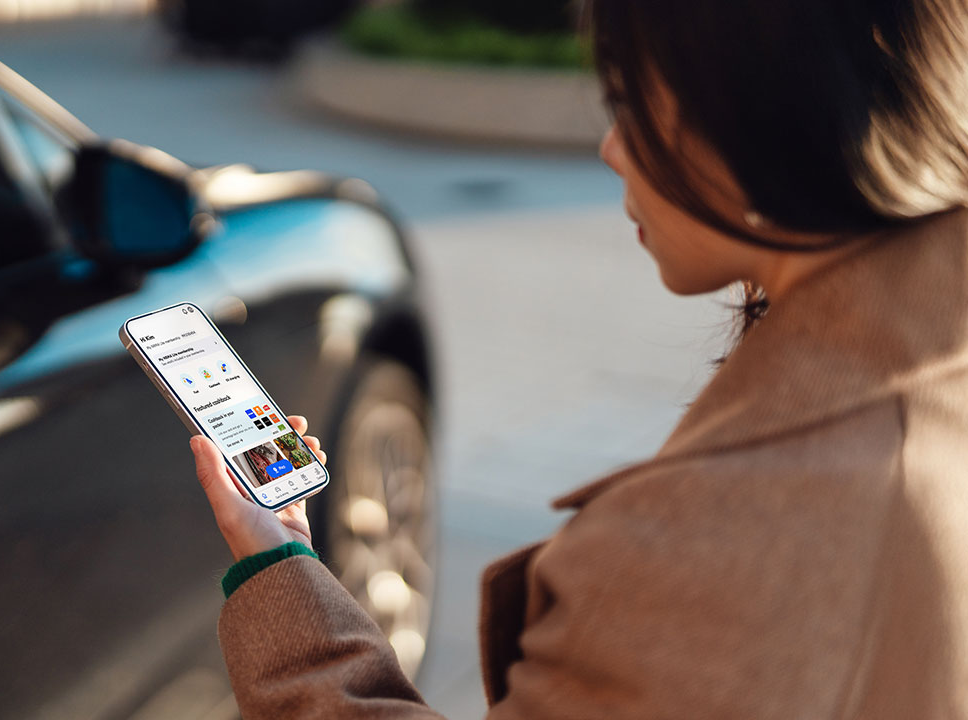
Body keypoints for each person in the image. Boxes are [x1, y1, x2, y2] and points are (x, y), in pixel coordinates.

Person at [188, 0, 968, 716]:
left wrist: (277, 568)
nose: (610, 149)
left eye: (626, 106)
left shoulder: (698, 544)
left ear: (762, 115)